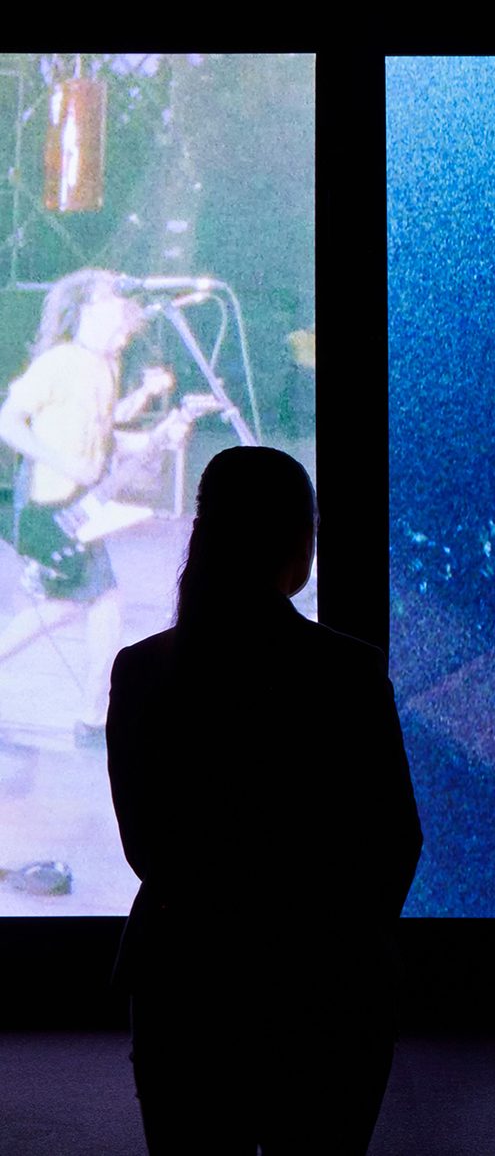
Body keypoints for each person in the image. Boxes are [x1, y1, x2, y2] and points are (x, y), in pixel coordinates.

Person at [106, 447, 422, 1153]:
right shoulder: (349, 671)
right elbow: (396, 839)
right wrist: (339, 942)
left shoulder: (142, 671)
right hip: (332, 991)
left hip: (182, 986)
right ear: (299, 542)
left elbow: (144, 849)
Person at [0, 268, 174, 743]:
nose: (119, 307)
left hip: (76, 507)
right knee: (89, 606)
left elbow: (103, 428)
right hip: (46, 508)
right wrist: (64, 462)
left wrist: (150, 418)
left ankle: (93, 716)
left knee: (77, 608)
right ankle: (93, 718)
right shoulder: (59, 363)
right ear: (84, 310)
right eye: (107, 300)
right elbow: (8, 422)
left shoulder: (106, 366)